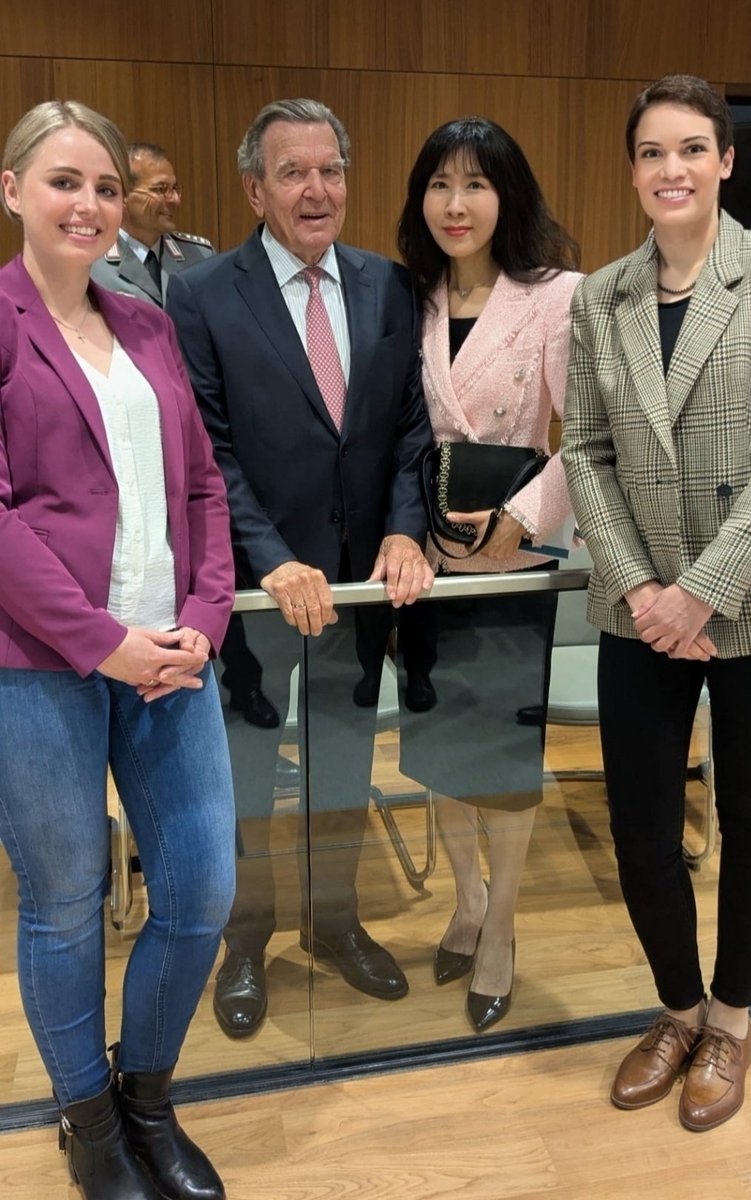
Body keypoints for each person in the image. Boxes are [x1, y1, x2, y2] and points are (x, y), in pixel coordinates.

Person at [0, 100, 236, 1199]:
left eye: (102, 185)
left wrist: (206, 614)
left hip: (173, 660)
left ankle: (147, 1098)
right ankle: (87, 1120)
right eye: (62, 181)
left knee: (198, 893)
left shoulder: (147, 324)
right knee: (62, 903)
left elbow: (200, 484)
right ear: (13, 192)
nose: (87, 203)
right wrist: (103, 644)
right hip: (38, 665)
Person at [561, 74, 751, 1131]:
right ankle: (672, 1009)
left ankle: (732, 1021)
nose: (672, 170)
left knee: (750, 819)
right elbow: (584, 448)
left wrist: (700, 593)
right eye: (652, 152)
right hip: (635, 607)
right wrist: (645, 589)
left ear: (725, 162)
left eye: (692, 149)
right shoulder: (598, 294)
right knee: (642, 826)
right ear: (631, 169)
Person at [166, 98, 433, 1037]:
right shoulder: (200, 294)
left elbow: (409, 431)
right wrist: (271, 561)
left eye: (330, 170)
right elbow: (208, 450)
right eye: (292, 172)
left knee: (346, 761)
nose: (316, 190)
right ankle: (245, 938)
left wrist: (405, 531)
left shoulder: (390, 286)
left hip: (363, 586)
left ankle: (333, 919)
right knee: (243, 771)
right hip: (251, 591)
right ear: (254, 187)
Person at [396, 117, 581, 1031]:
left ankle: (501, 928)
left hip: (510, 563)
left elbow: (587, 440)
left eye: (475, 183)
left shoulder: (556, 297)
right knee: (436, 750)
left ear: (507, 194)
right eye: (439, 183)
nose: (455, 204)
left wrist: (521, 521)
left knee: (503, 761)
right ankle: (464, 899)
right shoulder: (409, 295)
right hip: (424, 562)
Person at [91, 141, 282, 736]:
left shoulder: (194, 256)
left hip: (206, 441)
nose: (174, 198)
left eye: (176, 186)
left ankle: (242, 684)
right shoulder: (90, 264)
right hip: (136, 450)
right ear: (122, 192)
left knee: (220, 569)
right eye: (159, 188)